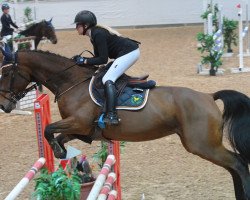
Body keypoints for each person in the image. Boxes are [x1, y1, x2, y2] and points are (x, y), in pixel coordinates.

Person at [73, 10, 140, 126]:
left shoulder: (98, 34)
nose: (76, 28)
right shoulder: (93, 34)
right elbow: (98, 58)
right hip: (126, 52)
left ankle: (112, 115)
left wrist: (84, 61)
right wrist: (82, 59)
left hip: (130, 52)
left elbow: (103, 60)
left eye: (77, 25)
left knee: (108, 79)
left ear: (85, 25)